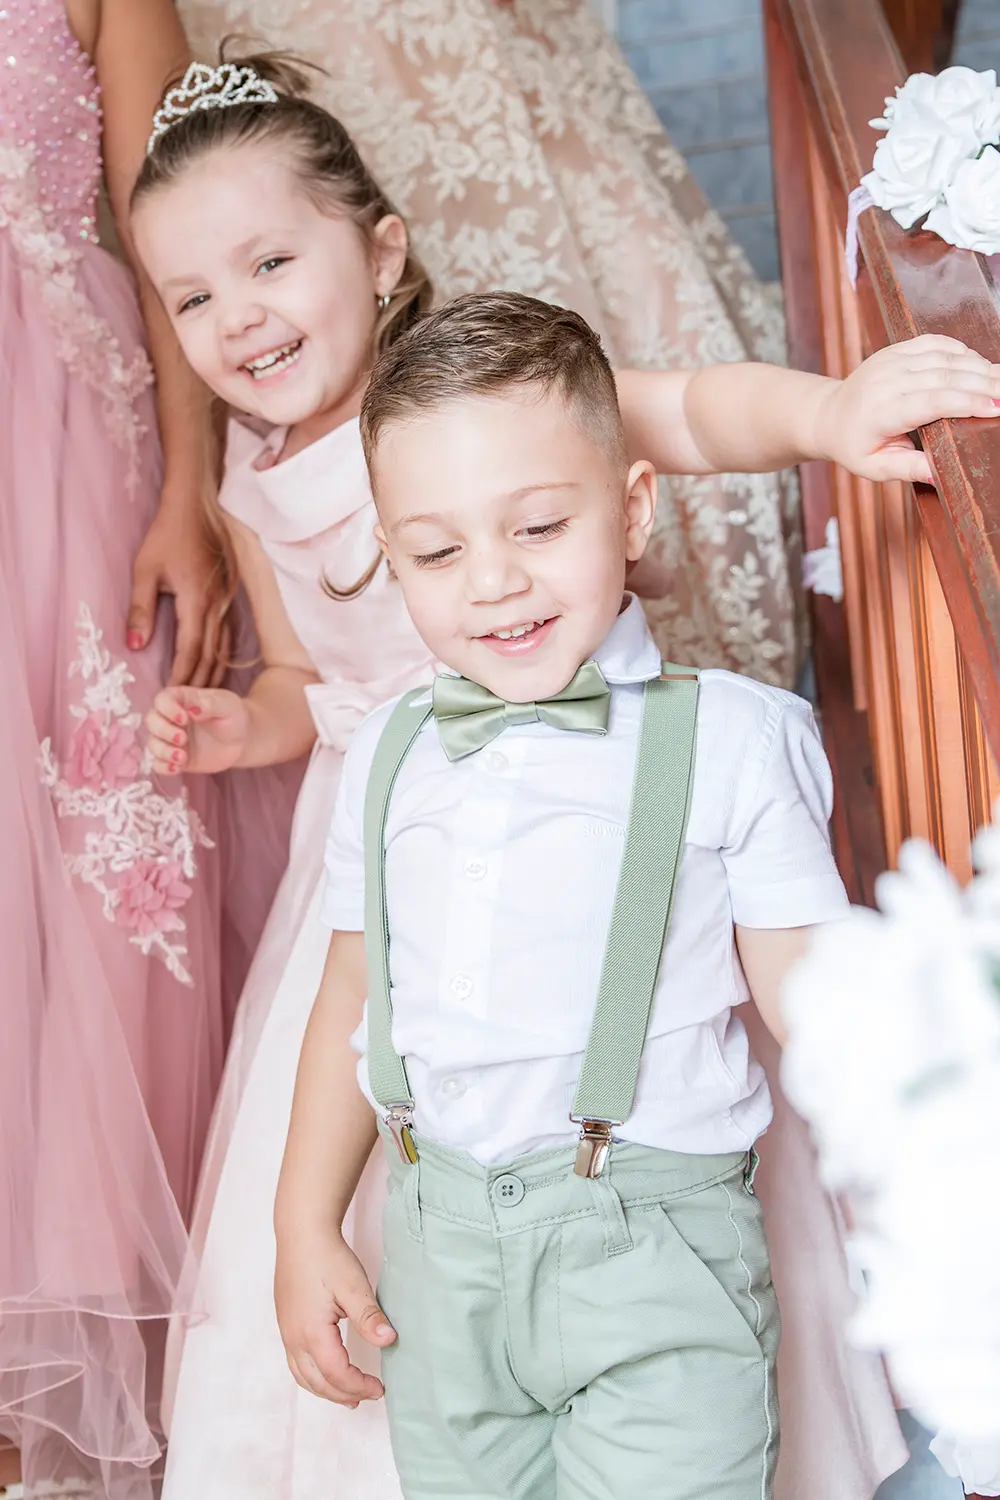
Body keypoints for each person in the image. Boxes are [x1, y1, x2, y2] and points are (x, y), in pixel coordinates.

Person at [130, 59, 1000, 1500]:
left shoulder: (510, 395)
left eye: (270, 262)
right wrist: (253, 729)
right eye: (193, 297)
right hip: (399, 827)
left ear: (382, 248)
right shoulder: (245, 473)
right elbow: (314, 682)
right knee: (388, 1152)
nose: (239, 319)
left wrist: (832, 412)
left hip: (596, 846)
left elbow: (693, 414)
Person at [271, 289, 906, 1499]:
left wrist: (925, 1148)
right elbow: (353, 985)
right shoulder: (389, 746)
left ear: (628, 510)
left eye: (537, 527)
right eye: (438, 550)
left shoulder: (732, 740)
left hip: (653, 1251)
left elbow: (811, 1002)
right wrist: (301, 1224)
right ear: (390, 554)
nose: (493, 584)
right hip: (434, 1248)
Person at [0, 0, 228, 1495]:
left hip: (73, 462)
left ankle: (82, 1382)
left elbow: (180, 231)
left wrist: (192, 494)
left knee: (98, 898)